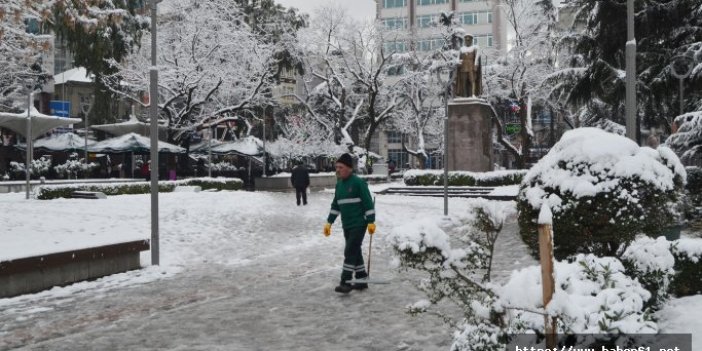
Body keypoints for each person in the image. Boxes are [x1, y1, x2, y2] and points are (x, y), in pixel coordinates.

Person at [324, 153, 376, 294]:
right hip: (346, 224)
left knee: (350, 251)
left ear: (349, 168)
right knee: (355, 251)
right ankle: (361, 278)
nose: (338, 170)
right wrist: (329, 222)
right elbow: (336, 205)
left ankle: (345, 281)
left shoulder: (359, 183)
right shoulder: (339, 185)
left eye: (340, 167)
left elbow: (368, 203)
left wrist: (371, 222)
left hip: (359, 224)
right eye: (337, 167)